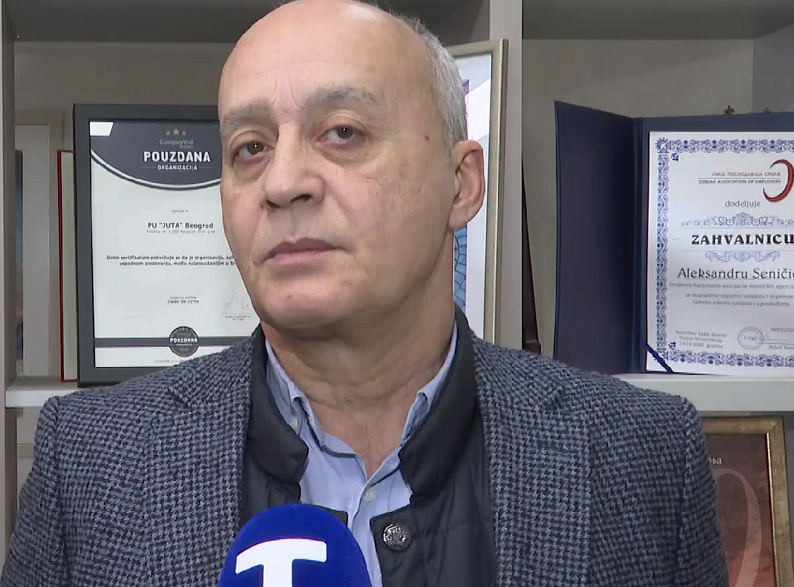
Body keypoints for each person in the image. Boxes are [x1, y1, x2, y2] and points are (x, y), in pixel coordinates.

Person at [1, 1, 728, 586]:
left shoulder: (642, 454)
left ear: (461, 184)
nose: (283, 182)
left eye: (343, 132)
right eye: (250, 147)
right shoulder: (89, 461)